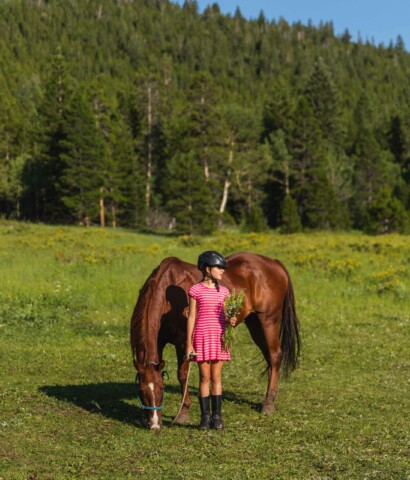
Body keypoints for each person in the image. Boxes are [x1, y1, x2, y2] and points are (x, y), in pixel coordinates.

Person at [186, 250, 237, 430]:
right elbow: (192, 317)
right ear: (207, 269)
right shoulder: (195, 290)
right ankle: (205, 417)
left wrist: (231, 320)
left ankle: (217, 417)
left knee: (216, 377)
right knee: (204, 377)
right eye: (219, 268)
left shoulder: (224, 291)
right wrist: (189, 343)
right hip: (201, 336)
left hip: (219, 338)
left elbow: (227, 315)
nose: (223, 271)